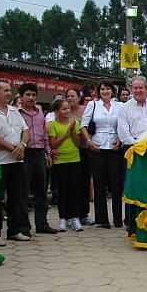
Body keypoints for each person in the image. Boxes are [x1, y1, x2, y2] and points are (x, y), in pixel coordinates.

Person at [0, 80, 30, 246]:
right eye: (6, 90)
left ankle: (14, 230)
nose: (9, 93)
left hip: (17, 161)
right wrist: (13, 149)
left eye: (10, 90)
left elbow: (25, 130)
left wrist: (22, 145)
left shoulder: (14, 111)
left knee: (16, 197)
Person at [118, 76, 147, 227]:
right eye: (135, 88)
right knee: (133, 186)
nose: (138, 90)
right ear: (131, 89)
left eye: (141, 88)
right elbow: (124, 132)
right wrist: (137, 144)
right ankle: (132, 222)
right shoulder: (124, 108)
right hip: (133, 150)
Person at [80, 81, 124, 229]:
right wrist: (88, 141)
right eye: (102, 89)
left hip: (114, 147)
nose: (105, 91)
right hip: (97, 147)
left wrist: (120, 139)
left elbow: (124, 124)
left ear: (113, 91)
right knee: (99, 184)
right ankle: (102, 219)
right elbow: (83, 126)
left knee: (116, 185)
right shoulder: (93, 105)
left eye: (108, 89)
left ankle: (118, 219)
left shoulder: (119, 106)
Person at [18, 83, 57, 235]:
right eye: (27, 95)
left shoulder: (40, 113)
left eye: (33, 95)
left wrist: (48, 153)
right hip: (24, 154)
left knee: (42, 191)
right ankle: (23, 227)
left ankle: (42, 224)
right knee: (23, 192)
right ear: (21, 97)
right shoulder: (16, 113)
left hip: (40, 153)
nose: (31, 98)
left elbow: (45, 134)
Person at [48, 99, 83, 232]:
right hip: (60, 161)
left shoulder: (75, 123)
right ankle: (63, 218)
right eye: (64, 109)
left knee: (74, 190)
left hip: (74, 159)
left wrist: (73, 131)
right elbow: (54, 144)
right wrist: (65, 134)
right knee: (62, 191)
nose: (67, 111)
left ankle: (75, 218)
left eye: (68, 108)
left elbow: (78, 143)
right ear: (57, 111)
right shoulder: (52, 125)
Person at [65, 88, 92, 226]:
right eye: (68, 96)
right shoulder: (63, 111)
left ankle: (84, 214)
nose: (70, 98)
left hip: (84, 150)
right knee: (70, 183)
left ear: (78, 97)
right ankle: (70, 214)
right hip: (68, 151)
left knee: (84, 182)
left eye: (73, 96)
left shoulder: (86, 109)